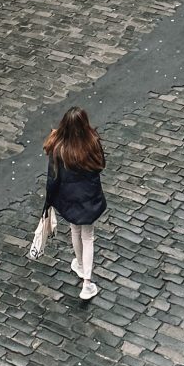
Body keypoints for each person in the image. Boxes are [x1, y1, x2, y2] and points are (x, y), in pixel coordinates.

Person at [42, 107, 106, 301]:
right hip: (89, 198)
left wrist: (49, 202)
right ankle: (87, 283)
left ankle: (79, 264)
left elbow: (52, 179)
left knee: (75, 231)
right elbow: (101, 165)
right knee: (88, 236)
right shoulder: (92, 142)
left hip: (68, 199)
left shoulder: (58, 147)